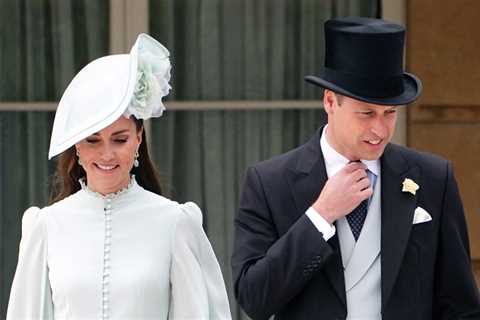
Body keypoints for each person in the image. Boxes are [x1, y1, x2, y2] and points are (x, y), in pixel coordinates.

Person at [231, 17, 480, 320]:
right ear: (330, 102)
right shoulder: (269, 182)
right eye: (366, 113)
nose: (380, 129)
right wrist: (320, 216)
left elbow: (461, 305)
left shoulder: (432, 178)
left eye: (390, 113)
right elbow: (254, 299)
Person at [7, 33, 231, 319]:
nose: (106, 154)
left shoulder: (176, 223)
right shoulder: (46, 227)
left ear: (139, 137)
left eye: (119, 139)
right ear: (76, 144)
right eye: (93, 140)